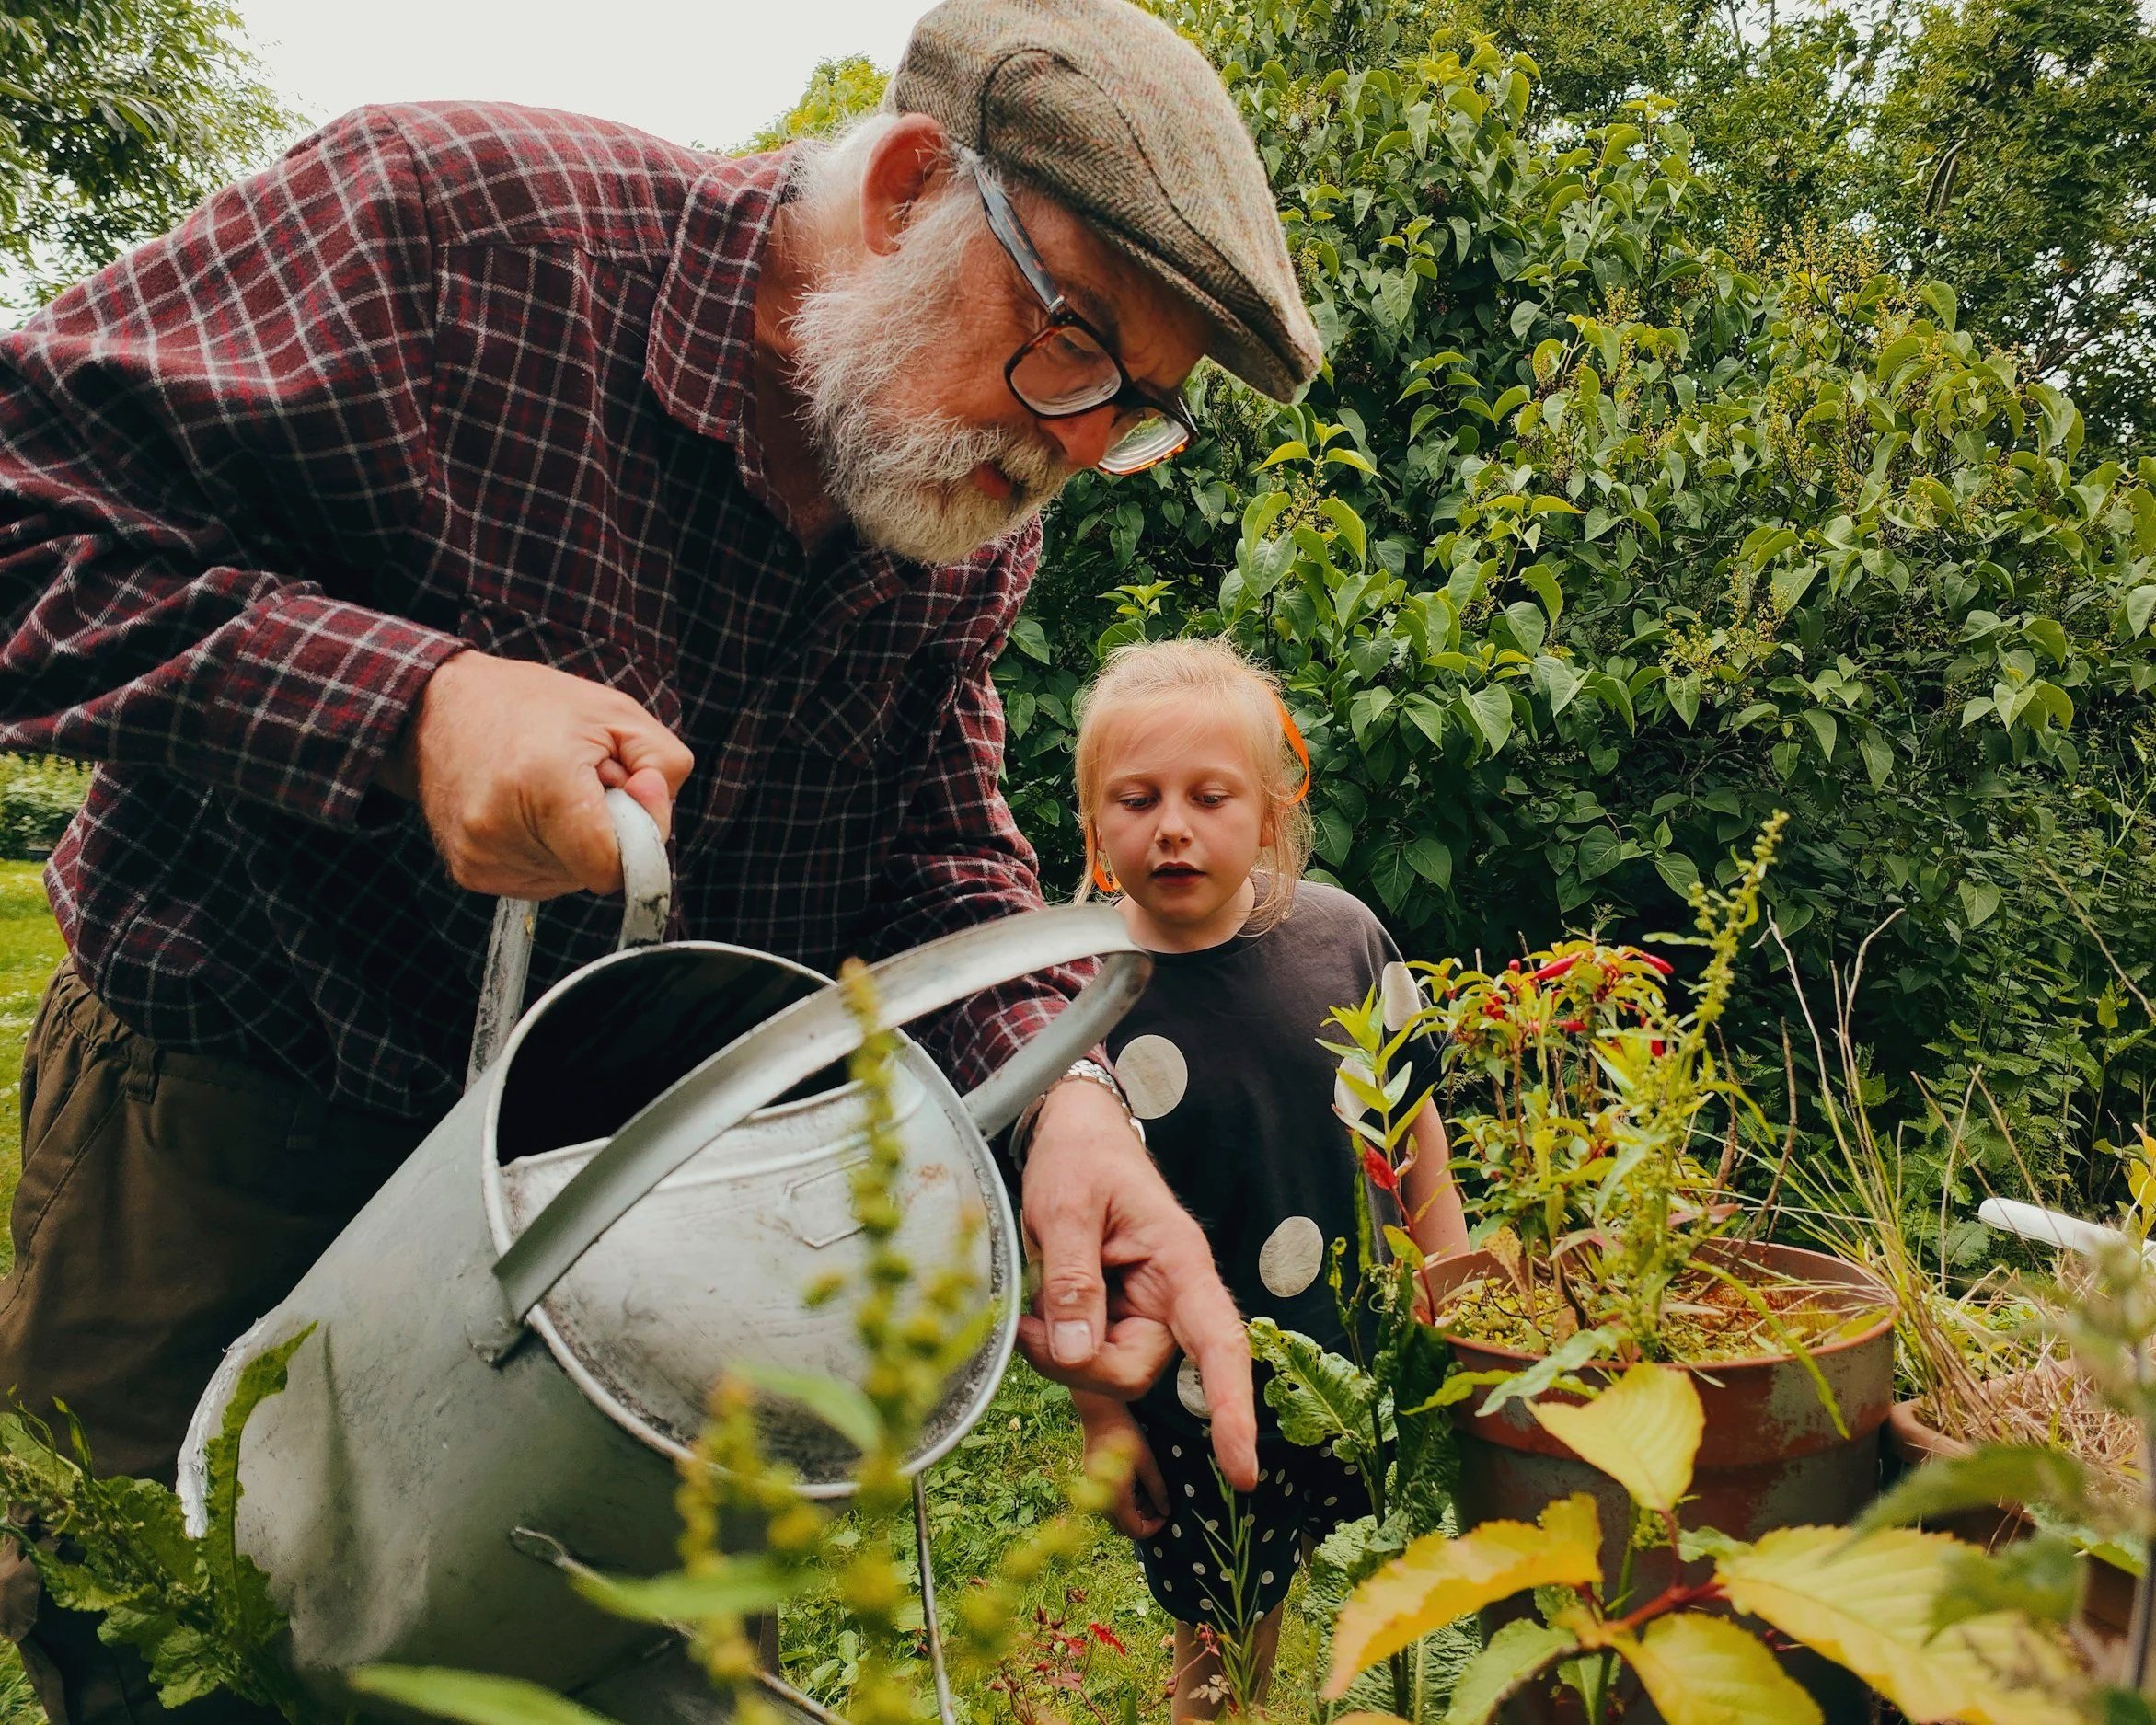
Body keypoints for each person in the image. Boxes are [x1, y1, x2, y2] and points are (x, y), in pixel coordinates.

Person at [0, 1, 1327, 1717]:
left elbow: (926, 840)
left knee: (627, 1677)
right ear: (915, 188)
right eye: (1073, 346)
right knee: (185, 1665)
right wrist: (410, 709)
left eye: (1134, 409)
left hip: (635, 1206)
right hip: (239, 1128)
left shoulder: (949, 485)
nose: (1074, 445)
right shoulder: (455, 233)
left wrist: (1055, 1100)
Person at [1060, 639, 1469, 1722]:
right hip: (1190, 1392)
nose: (1175, 826)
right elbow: (1062, 1235)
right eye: (1137, 800)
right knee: (1227, 1622)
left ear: (1274, 815)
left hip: (1356, 1355)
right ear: (1095, 827)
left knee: (1381, 1580)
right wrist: (1102, 1414)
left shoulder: (1341, 940)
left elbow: (1411, 1115)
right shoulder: (1078, 992)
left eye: (1210, 795)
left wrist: (1454, 1269)